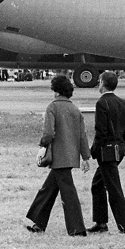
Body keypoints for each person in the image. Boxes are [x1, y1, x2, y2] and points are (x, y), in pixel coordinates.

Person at [26, 75, 91, 236]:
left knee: (67, 193)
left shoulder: (52, 107)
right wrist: (85, 157)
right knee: (48, 189)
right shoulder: (75, 110)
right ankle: (38, 223)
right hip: (71, 156)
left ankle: (77, 228)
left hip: (58, 156)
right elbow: (82, 136)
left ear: (55, 90)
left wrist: (42, 145)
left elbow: (48, 133)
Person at [87, 71, 125, 234]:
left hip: (106, 151)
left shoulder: (102, 103)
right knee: (97, 184)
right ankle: (101, 223)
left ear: (102, 83)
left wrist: (93, 150)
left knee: (113, 188)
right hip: (118, 149)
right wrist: (121, 144)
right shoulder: (122, 102)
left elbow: (101, 131)